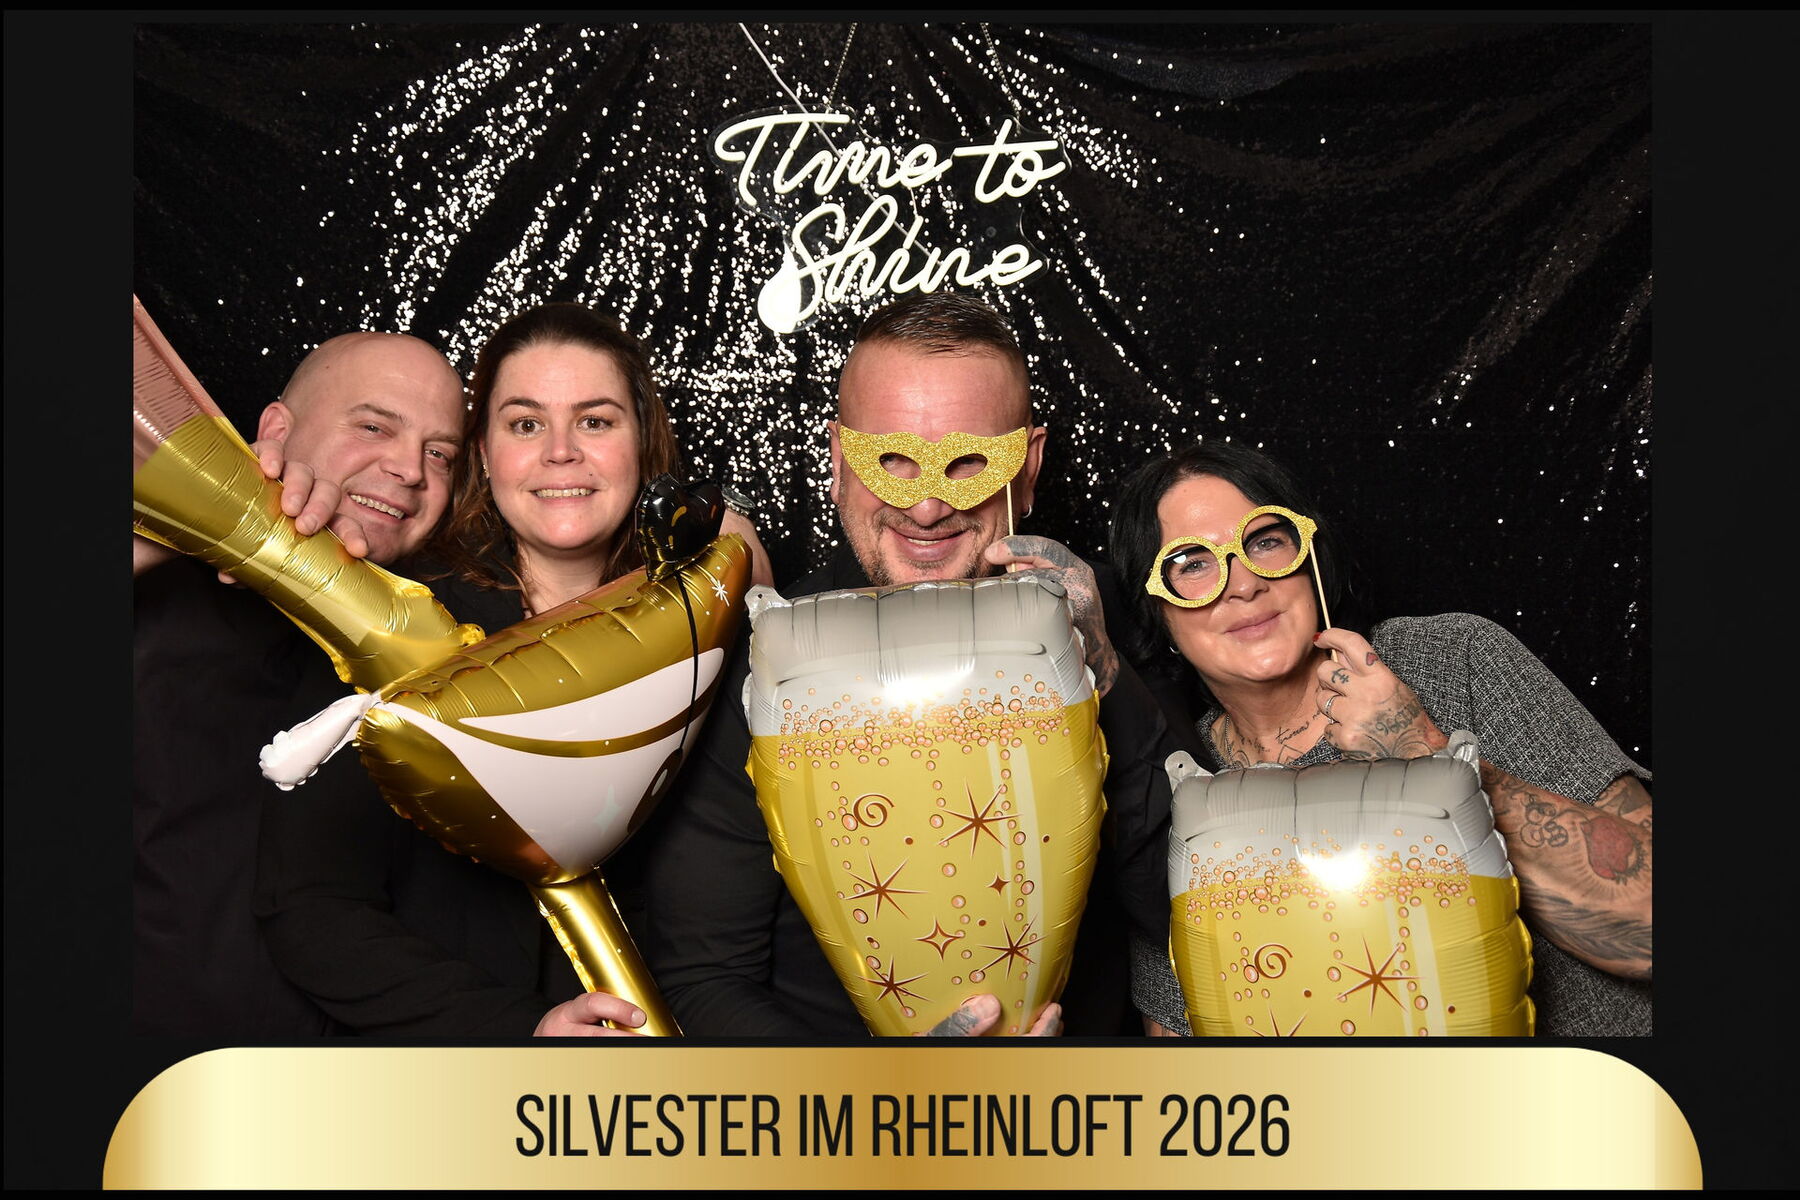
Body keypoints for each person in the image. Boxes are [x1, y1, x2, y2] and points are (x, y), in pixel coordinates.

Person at [631, 292, 1185, 1038]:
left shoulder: (1113, 623)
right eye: (891, 460)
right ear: (838, 462)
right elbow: (701, 980)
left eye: (968, 462)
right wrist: (883, 1090)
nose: (927, 508)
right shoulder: (756, 666)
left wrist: (1104, 675)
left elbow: (1186, 920)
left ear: (1028, 467)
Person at [252, 302, 767, 1037]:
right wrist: (520, 1033)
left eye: (595, 421)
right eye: (526, 424)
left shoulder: (707, 619)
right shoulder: (397, 621)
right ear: (485, 455)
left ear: (644, 447)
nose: (561, 452)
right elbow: (309, 905)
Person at [1106, 439, 1653, 1036]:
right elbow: (1181, 1042)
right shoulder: (1177, 784)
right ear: (1155, 609)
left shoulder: (1451, 660)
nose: (1243, 584)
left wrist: (1423, 750)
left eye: (1264, 542)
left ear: (1310, 560)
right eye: (1192, 564)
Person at [133, 331, 465, 1037]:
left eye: (440, 453)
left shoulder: (455, 644)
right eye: (373, 427)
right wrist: (174, 528)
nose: (410, 469)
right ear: (278, 430)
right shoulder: (156, 581)